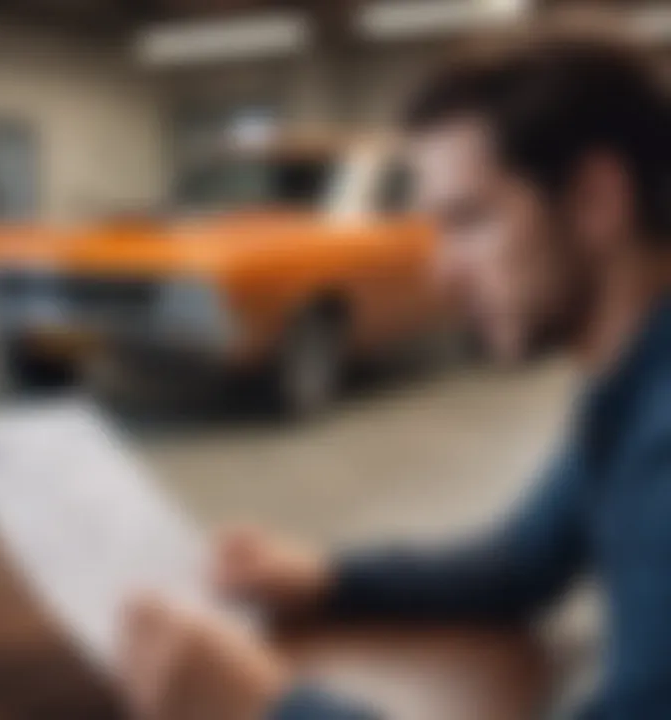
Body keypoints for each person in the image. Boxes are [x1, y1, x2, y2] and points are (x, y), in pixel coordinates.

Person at [116, 24, 671, 720]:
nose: (441, 272)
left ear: (596, 200)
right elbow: (519, 566)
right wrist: (324, 577)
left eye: (470, 219)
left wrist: (267, 707)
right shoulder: (627, 391)